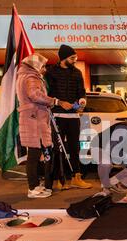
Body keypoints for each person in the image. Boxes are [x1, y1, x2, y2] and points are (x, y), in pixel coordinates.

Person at [44, 44, 92, 190]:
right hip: (57, 116)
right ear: (64, 58)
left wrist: (82, 101)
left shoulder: (77, 73)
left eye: (75, 57)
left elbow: (81, 92)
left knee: (74, 148)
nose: (75, 60)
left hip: (73, 117)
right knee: (58, 149)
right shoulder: (50, 72)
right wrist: (59, 102)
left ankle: (77, 177)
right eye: (72, 57)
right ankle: (60, 179)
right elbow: (46, 94)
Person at [17, 53, 63, 198]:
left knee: (35, 155)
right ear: (35, 66)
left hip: (33, 118)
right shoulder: (31, 77)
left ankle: (36, 185)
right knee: (34, 155)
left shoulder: (25, 76)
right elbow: (35, 95)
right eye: (42, 66)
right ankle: (33, 188)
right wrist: (54, 101)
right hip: (34, 119)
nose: (45, 69)